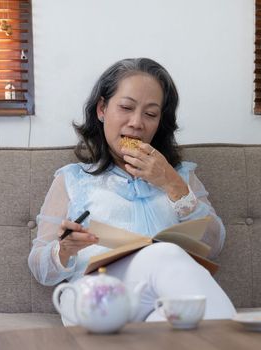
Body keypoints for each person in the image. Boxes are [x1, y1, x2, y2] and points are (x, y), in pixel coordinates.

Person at [28, 57, 236, 324]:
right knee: (164, 252)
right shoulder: (73, 179)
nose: (137, 123)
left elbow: (213, 245)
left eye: (150, 114)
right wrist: (64, 249)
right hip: (94, 298)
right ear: (102, 109)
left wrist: (172, 184)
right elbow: (40, 268)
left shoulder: (180, 175)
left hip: (156, 303)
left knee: (180, 320)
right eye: (126, 107)